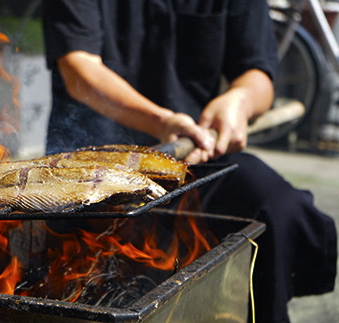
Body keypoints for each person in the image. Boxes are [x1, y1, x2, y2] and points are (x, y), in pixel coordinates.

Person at [42, 0, 337, 322]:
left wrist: (239, 101)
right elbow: (79, 67)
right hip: (88, 177)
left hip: (194, 160)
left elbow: (257, 74)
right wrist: (162, 122)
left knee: (280, 207)